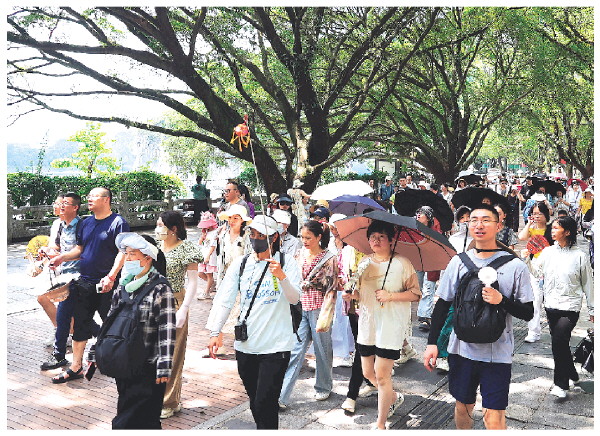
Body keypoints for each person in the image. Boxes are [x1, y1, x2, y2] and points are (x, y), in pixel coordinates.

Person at [423, 204, 534, 430]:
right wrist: (432, 343)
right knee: (463, 407)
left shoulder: (515, 266)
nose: (478, 225)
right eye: (473, 220)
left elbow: (528, 312)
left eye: (485, 220)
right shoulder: (458, 262)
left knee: (494, 417)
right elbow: (443, 304)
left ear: (498, 226)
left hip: (498, 354)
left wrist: (501, 300)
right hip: (461, 350)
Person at [206, 214, 302, 429]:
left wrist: (282, 276)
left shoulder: (287, 263)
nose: (256, 239)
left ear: (274, 237)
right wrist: (215, 331)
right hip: (246, 345)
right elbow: (225, 299)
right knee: (255, 400)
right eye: (253, 234)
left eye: (261, 235)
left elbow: (294, 298)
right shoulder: (241, 264)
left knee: (265, 401)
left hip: (276, 346)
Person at [343, 220, 421, 430]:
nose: (376, 241)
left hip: (390, 325)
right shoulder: (364, 262)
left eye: (381, 237)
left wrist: (391, 296)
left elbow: (416, 294)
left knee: (382, 375)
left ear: (391, 240)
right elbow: (360, 293)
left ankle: (380, 425)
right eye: (372, 237)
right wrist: (351, 295)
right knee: (368, 373)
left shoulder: (402, 263)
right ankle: (393, 398)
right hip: (368, 323)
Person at [50, 187, 129, 383]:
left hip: (107, 285)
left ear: (106, 200)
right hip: (84, 282)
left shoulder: (118, 223)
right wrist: (62, 257)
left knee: (112, 324)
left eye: (94, 196)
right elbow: (80, 249)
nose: (89, 199)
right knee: (81, 325)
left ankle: (122, 362)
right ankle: (76, 367)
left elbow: (123, 252)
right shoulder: (85, 223)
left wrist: (111, 276)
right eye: (89, 196)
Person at [110, 233, 176, 429]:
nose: (127, 258)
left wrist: (164, 365)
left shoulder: (160, 288)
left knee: (142, 419)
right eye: (126, 254)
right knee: (127, 411)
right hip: (125, 362)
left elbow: (167, 328)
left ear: (147, 258)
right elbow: (110, 320)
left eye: (132, 254)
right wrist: (97, 350)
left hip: (149, 365)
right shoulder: (124, 285)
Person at [524, 216, 594, 399]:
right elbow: (537, 273)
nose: (552, 231)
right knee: (560, 343)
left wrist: (593, 309)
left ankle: (561, 384)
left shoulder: (580, 256)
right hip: (551, 305)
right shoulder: (547, 252)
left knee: (558, 340)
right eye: (552, 227)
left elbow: (588, 284)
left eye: (556, 228)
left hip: (571, 306)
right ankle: (572, 374)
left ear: (567, 232)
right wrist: (528, 260)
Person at [278, 220, 339, 408]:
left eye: (308, 237)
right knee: (296, 350)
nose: (304, 241)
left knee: (322, 350)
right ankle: (282, 395)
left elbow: (332, 288)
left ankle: (324, 386)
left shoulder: (329, 258)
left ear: (319, 237)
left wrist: (327, 313)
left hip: (320, 308)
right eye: (302, 237)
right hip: (301, 307)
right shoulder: (299, 254)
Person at [155, 211, 203, 419]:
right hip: (154, 301)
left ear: (173, 228)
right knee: (155, 352)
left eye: (161, 225)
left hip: (175, 300)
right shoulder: (155, 248)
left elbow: (193, 281)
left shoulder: (187, 249)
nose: (157, 228)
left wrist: (184, 308)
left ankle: (169, 401)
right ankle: (157, 397)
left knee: (173, 353)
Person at [40, 193, 82, 370]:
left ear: (75, 207)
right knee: (77, 316)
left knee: (65, 314)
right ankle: (105, 339)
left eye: (66, 203)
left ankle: (59, 355)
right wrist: (48, 252)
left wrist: (61, 257)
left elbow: (82, 250)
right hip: (64, 275)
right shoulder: (62, 225)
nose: (61, 206)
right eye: (61, 203)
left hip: (79, 277)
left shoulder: (82, 226)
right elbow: (57, 246)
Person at [208, 204, 252, 355]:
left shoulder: (247, 237)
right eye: (230, 218)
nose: (232, 221)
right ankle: (218, 344)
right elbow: (220, 258)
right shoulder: (223, 235)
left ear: (242, 220)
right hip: (225, 276)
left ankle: (241, 345)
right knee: (219, 308)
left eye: (236, 218)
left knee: (239, 312)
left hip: (241, 278)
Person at [518, 202, 552, 343]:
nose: (536, 216)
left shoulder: (552, 229)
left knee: (551, 302)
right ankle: (533, 331)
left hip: (551, 267)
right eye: (534, 213)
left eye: (539, 213)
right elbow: (521, 237)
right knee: (535, 300)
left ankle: (555, 329)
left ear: (546, 215)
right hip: (534, 267)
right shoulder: (531, 229)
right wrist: (528, 223)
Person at [37, 194, 66, 345]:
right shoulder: (56, 224)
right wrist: (44, 253)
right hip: (55, 269)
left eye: (57, 203)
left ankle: (65, 333)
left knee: (62, 302)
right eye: (55, 203)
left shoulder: (75, 225)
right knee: (47, 299)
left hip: (68, 269)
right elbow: (54, 246)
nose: (54, 206)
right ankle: (60, 330)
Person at [415, 206, 440, 332]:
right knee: (419, 288)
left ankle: (425, 317)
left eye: (422, 213)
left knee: (428, 289)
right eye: (418, 212)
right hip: (417, 262)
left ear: (429, 217)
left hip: (431, 264)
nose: (419, 215)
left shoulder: (435, 232)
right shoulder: (413, 230)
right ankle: (424, 311)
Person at [197, 211, 219, 299]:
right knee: (200, 273)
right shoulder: (205, 232)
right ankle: (212, 283)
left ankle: (206, 293)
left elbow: (213, 245)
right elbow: (200, 243)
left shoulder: (214, 233)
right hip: (203, 254)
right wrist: (202, 237)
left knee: (209, 274)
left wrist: (208, 256)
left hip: (210, 255)